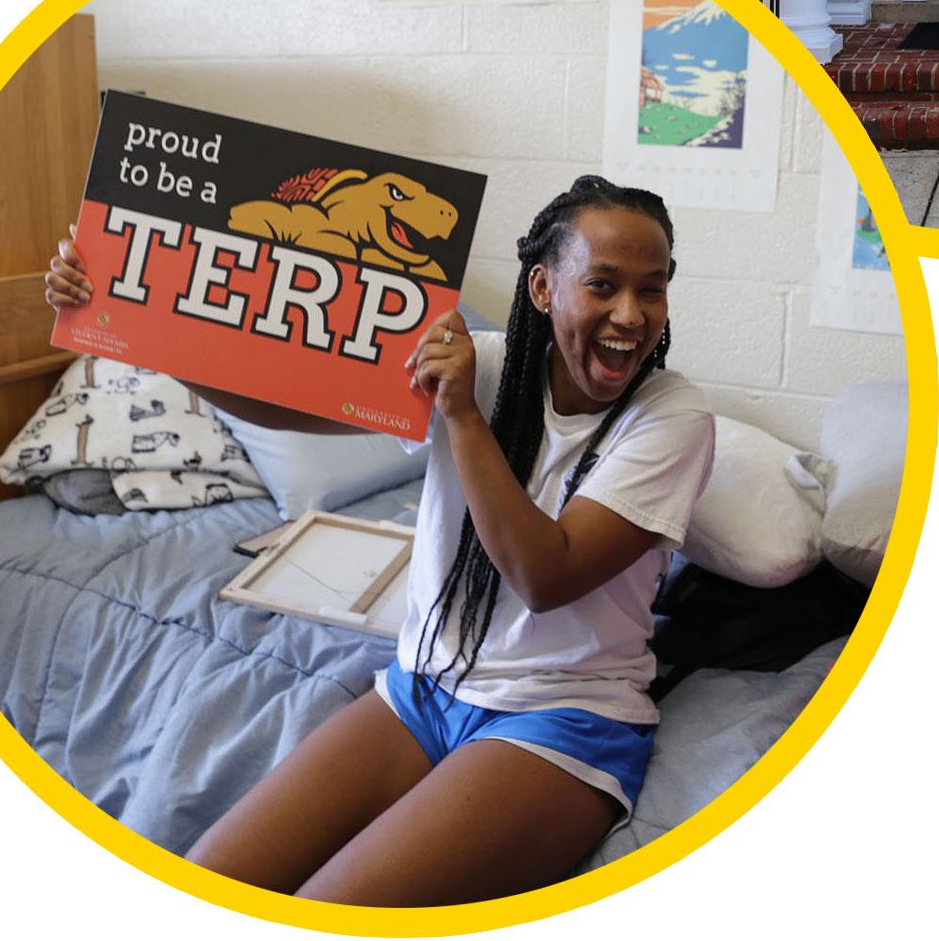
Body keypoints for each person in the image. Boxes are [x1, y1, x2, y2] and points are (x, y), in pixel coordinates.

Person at [44, 174, 713, 907]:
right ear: (544, 288)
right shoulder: (487, 365)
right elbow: (289, 402)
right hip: (421, 688)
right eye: (604, 285)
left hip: (563, 719)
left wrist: (460, 417)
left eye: (652, 289)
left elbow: (543, 574)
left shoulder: (672, 419)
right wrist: (122, 319)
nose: (630, 314)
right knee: (210, 885)